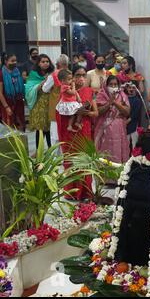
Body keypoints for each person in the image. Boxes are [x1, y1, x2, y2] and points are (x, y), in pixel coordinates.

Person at [56, 66, 98, 201]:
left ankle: (85, 193)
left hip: (83, 130)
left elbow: (95, 113)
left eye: (84, 75)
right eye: (78, 75)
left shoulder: (89, 91)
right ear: (72, 77)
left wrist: (86, 112)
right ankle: (71, 192)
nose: (81, 78)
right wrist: (74, 112)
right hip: (69, 133)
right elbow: (59, 113)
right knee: (71, 161)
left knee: (84, 161)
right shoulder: (65, 92)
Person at [95, 75, 131, 163]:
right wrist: (109, 103)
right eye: (111, 84)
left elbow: (127, 112)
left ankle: (118, 171)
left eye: (115, 84)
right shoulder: (101, 95)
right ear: (106, 85)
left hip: (119, 128)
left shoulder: (122, 95)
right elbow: (98, 111)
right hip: (105, 128)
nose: (113, 87)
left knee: (119, 148)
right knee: (107, 149)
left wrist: (114, 102)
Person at [25, 54, 55, 149]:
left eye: (47, 61)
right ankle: (39, 151)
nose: (46, 63)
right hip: (38, 103)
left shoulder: (52, 73)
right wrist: (44, 82)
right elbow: (29, 89)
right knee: (40, 128)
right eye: (43, 62)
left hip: (51, 103)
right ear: (38, 63)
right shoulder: (33, 74)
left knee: (50, 127)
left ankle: (51, 149)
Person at [42, 54, 69, 147]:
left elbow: (45, 89)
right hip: (69, 108)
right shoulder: (70, 74)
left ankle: (55, 159)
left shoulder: (53, 75)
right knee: (66, 134)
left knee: (55, 136)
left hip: (56, 107)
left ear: (58, 64)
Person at [0, 53, 25, 130]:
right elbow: (0, 92)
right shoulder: (1, 74)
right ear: (6, 61)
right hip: (7, 103)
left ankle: (21, 141)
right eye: (12, 61)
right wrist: (6, 107)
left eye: (15, 61)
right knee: (9, 127)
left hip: (18, 102)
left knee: (21, 124)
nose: (14, 62)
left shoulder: (17, 72)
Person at [125, 81, 142, 150]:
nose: (131, 89)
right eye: (129, 88)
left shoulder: (137, 100)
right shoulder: (124, 98)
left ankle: (134, 158)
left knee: (134, 143)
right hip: (125, 124)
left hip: (134, 124)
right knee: (126, 143)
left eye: (133, 88)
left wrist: (127, 121)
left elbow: (135, 113)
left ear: (136, 89)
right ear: (126, 88)